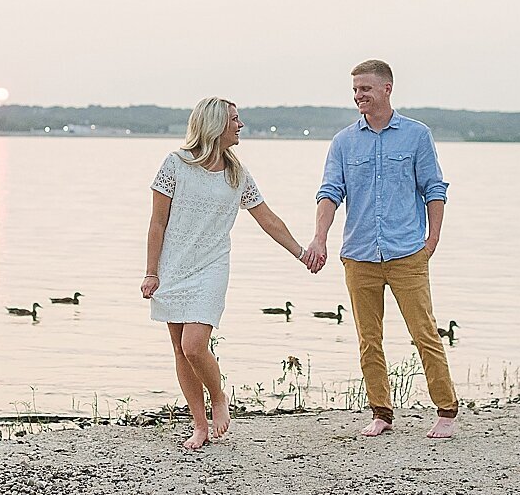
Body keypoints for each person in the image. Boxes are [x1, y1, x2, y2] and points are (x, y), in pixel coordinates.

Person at [142, 97, 310, 450]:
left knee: (194, 345)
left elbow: (267, 218)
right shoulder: (175, 164)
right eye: (235, 119)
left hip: (211, 268)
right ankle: (199, 425)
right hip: (173, 267)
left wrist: (300, 252)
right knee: (179, 350)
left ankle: (218, 398)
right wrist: (151, 272)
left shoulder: (237, 174)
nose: (241, 125)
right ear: (216, 125)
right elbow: (157, 223)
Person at [303, 59, 459, 439]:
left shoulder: (417, 136)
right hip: (359, 255)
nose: (359, 96)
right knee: (368, 339)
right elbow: (330, 193)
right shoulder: (344, 142)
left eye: (366, 89)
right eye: (355, 90)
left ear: (387, 88)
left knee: (425, 333)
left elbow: (434, 189)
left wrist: (432, 240)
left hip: (407, 253)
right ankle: (381, 413)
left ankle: (447, 410)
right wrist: (320, 236)